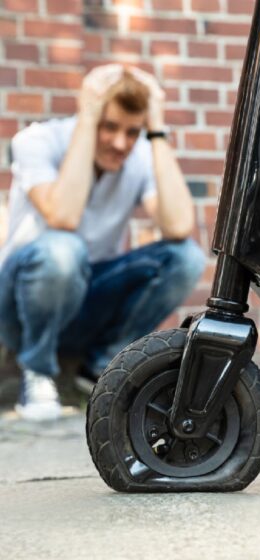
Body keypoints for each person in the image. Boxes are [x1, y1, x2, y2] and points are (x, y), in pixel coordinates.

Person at [0, 64, 206, 421]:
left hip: (85, 298)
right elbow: (63, 216)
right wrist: (88, 116)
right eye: (109, 126)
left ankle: (98, 370)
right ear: (89, 114)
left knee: (186, 258)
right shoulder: (37, 141)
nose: (120, 143)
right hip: (18, 305)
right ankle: (37, 368)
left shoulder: (140, 154)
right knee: (64, 250)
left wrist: (156, 128)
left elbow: (179, 225)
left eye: (132, 131)